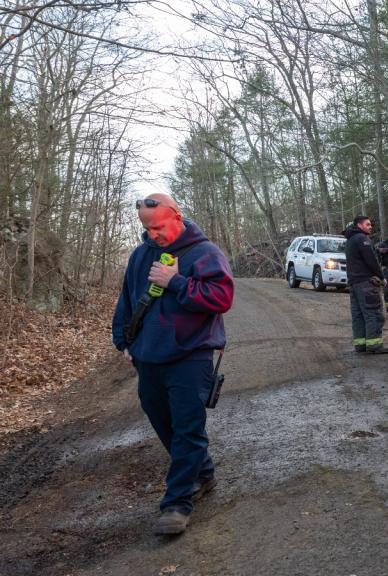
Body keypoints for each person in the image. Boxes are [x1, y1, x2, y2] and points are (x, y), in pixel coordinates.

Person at [111, 193, 234, 535]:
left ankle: (177, 503)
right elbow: (126, 301)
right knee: (161, 420)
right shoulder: (140, 255)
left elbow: (222, 299)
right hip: (147, 357)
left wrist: (176, 282)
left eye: (159, 227)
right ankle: (203, 472)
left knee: (187, 427)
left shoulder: (204, 253)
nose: (153, 235)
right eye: (147, 229)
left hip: (190, 355)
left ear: (177, 217)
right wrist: (123, 341)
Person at [343, 216, 388, 354]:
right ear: (359, 225)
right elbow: (371, 260)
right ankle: (375, 345)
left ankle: (360, 344)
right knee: (373, 313)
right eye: (368, 224)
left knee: (358, 315)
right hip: (366, 284)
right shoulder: (362, 239)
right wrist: (382, 277)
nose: (370, 226)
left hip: (354, 284)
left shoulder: (350, 240)